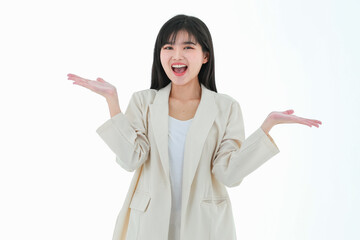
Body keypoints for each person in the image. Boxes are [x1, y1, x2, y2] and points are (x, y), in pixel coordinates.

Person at [67, 14, 321, 240]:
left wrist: (267, 127)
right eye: (168, 47)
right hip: (148, 222)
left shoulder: (226, 107)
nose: (177, 55)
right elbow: (131, 159)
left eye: (188, 47)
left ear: (205, 55)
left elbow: (229, 174)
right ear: (160, 55)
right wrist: (113, 101)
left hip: (205, 224)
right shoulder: (145, 101)